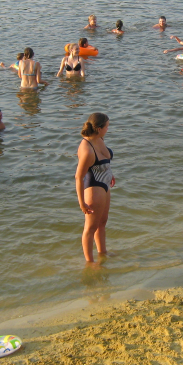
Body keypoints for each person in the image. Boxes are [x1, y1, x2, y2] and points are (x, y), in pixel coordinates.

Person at [75, 113, 115, 264]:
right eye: (106, 127)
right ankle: (90, 263)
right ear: (98, 129)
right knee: (90, 228)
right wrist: (82, 203)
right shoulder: (87, 149)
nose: (108, 129)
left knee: (102, 222)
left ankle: (102, 254)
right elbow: (78, 177)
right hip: (94, 187)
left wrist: (110, 173)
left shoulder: (99, 139)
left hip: (105, 183)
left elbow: (104, 159)